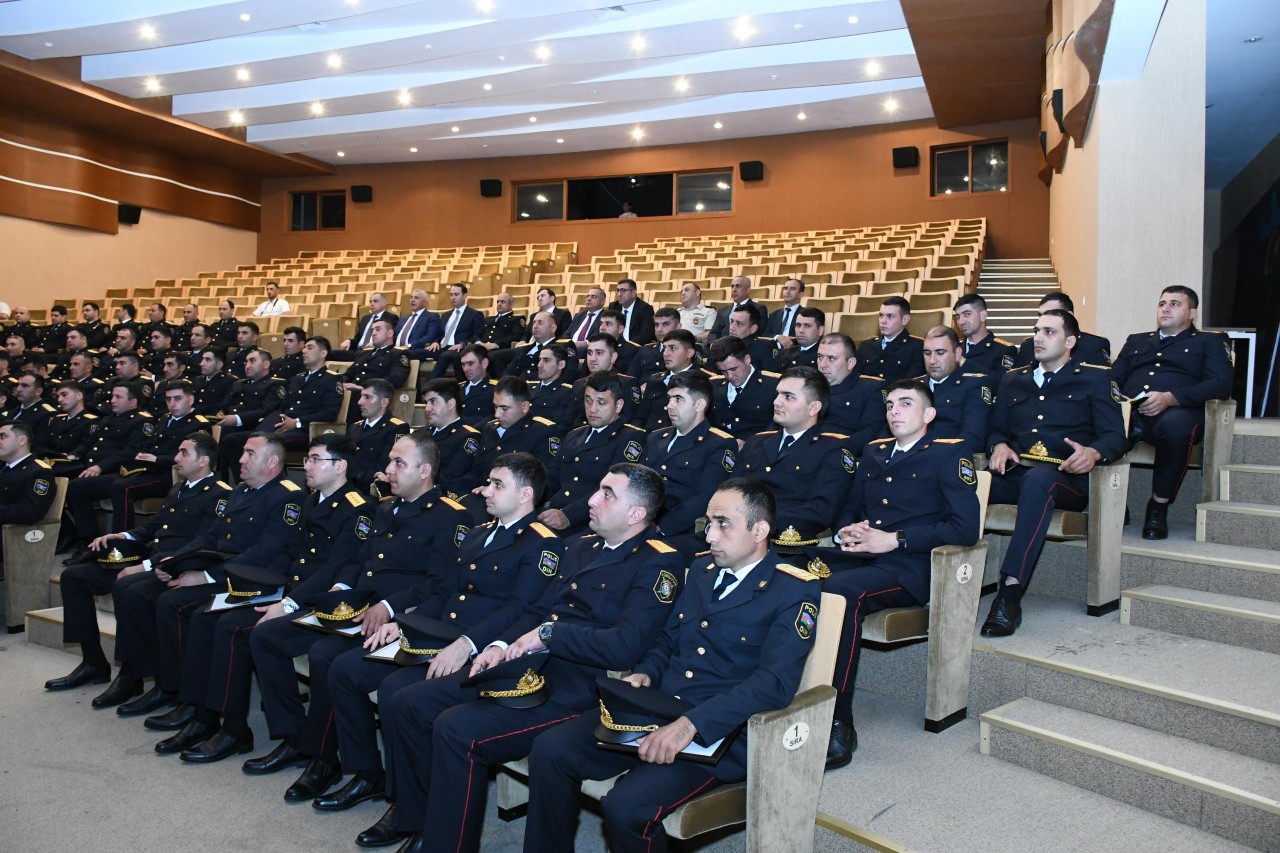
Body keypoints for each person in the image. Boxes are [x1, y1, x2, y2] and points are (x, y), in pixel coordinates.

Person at [367, 463, 683, 852]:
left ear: (636, 514)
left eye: (606, 494)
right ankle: (416, 819)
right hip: (528, 668)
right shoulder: (581, 546)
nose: (591, 500)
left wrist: (550, 634)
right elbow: (538, 610)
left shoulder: (658, 563)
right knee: (412, 702)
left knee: (456, 729)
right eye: (598, 489)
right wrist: (498, 646)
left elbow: (625, 646)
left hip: (578, 689)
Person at [525, 477, 821, 853]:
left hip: (720, 734)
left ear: (759, 529)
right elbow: (669, 637)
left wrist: (691, 725)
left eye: (723, 524)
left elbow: (773, 683)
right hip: (661, 707)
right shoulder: (702, 569)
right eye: (708, 523)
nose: (710, 535)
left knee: (626, 806)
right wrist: (646, 672)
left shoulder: (794, 590)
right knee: (551, 750)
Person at [309, 453, 562, 815]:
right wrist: (403, 623)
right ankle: (367, 774)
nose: (485, 491)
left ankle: (410, 802)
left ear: (525, 495)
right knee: (346, 670)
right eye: (488, 482)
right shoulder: (478, 534)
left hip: (477, 644)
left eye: (497, 484)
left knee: (398, 694)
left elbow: (520, 610)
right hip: (439, 633)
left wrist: (467, 644)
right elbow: (446, 592)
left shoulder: (542, 543)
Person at [244, 432, 471, 801]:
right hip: (356, 606)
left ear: (425, 470)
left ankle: (341, 763)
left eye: (399, 463)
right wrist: (340, 591)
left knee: (326, 657)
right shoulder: (385, 509)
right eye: (390, 461)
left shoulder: (449, 517)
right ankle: (294, 737)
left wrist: (390, 608)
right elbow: (359, 562)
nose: (388, 470)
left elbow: (440, 584)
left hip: (397, 616)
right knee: (267, 636)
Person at [807, 379, 981, 768]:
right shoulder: (873, 451)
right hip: (862, 556)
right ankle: (791, 697)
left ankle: (839, 720)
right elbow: (851, 508)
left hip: (909, 565)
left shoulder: (949, 454)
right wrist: (846, 530)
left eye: (906, 403)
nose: (895, 411)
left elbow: (966, 529)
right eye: (889, 405)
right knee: (793, 576)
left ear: (929, 415)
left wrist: (896, 539)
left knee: (839, 592)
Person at [170, 435, 370, 764]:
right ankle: (215, 718)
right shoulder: (312, 500)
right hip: (291, 588)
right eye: (306, 459)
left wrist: (288, 603)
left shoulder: (356, 509)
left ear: (340, 466)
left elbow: (335, 569)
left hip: (323, 600)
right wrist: (262, 587)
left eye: (314, 459)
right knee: (215, 615)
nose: (305, 465)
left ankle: (275, 734)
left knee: (244, 631)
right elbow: (293, 555)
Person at [143, 433, 303, 752]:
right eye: (242, 453)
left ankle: (229, 725)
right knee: (181, 607)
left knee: (208, 618)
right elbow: (213, 535)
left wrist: (203, 575)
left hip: (260, 583)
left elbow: (264, 553)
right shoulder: (242, 490)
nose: (240, 460)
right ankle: (200, 711)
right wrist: (174, 561)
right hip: (229, 574)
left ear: (272, 462)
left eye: (249, 454)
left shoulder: (288, 497)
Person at [44, 432, 226, 701]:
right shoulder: (178, 489)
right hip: (150, 557)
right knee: (74, 577)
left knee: (129, 588)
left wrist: (145, 566)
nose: (176, 458)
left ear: (204, 461)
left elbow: (200, 543)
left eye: (184, 453)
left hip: (173, 566)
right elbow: (153, 528)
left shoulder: (220, 495)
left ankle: (132, 674)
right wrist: (123, 536)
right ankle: (93, 662)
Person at [980, 309, 1128, 637]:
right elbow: (995, 430)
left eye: (1049, 332)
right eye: (1036, 330)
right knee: (967, 483)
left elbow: (1117, 437)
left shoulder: (1095, 378)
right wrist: (999, 445)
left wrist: (1093, 452)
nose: (1038, 337)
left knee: (1038, 481)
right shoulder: (1013, 378)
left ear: (1070, 341)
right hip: (1017, 472)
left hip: (1068, 479)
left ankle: (1009, 594)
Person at [1111, 285, 1233, 539]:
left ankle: (1158, 507)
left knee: (1176, 426)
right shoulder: (1137, 340)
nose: (1165, 308)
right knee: (1096, 419)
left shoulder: (1209, 341)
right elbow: (1112, 379)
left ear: (1193, 313)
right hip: (1130, 413)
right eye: (1162, 303)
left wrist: (1172, 398)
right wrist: (1119, 400)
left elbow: (1221, 384)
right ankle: (1114, 503)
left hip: (1177, 414)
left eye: (1175, 304)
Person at [64, 381, 211, 543]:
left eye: (177, 399)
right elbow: (149, 444)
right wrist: (141, 454)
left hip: (169, 474)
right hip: (143, 471)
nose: (172, 404)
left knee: (121, 487)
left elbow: (194, 457)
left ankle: (122, 544)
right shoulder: (165, 419)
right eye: (168, 399)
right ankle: (88, 541)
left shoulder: (199, 424)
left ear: (190, 400)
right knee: (78, 486)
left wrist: (157, 459)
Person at [736, 367, 857, 547]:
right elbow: (729, 492)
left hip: (789, 543)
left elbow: (821, 511)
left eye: (788, 397)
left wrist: (757, 525)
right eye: (777, 395)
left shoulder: (833, 449)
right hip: (739, 536)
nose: (777, 402)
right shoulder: (757, 442)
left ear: (813, 407)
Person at [539, 372, 648, 535]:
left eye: (601, 402)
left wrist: (568, 515)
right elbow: (552, 478)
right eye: (588, 401)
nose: (593, 409)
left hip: (592, 523)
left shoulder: (631, 437)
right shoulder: (574, 435)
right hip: (554, 514)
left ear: (618, 406)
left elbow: (610, 490)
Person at [641, 371, 737, 552]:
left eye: (678, 399)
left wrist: (660, 527)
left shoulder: (720, 444)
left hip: (681, 531)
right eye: (669, 399)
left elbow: (704, 498)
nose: (669, 406)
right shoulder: (655, 437)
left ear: (699, 404)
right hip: (641, 521)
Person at [919, 325, 996, 455]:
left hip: (946, 460)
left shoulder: (974, 386)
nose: (932, 360)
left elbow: (973, 438)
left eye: (940, 353)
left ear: (957, 354)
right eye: (927, 353)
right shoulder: (912, 387)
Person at [255, 336, 344, 449]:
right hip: (285, 425)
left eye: (310, 348)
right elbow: (284, 406)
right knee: (241, 439)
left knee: (268, 443)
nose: (304, 351)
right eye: (304, 347)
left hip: (306, 430)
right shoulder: (298, 378)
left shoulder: (331, 379)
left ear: (323, 353)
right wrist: (269, 420)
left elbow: (329, 413)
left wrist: (297, 422)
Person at [816, 333, 888, 454]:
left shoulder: (871, 388)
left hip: (839, 454)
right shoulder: (808, 386)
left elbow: (869, 433)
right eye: (820, 357)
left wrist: (832, 449)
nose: (822, 365)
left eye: (831, 358)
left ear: (850, 363)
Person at [1013, 291, 1112, 368]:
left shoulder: (1093, 345)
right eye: (1040, 315)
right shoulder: (1029, 345)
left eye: (1051, 314)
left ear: (1069, 316)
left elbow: (1104, 383)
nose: (1043, 319)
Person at [420, 378, 483, 495]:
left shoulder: (468, 436)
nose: (427, 408)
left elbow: (450, 476)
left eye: (433, 401)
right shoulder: (420, 433)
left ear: (451, 404)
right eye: (426, 403)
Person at [709, 335, 779, 439]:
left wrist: (751, 445)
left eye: (733, 369)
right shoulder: (713, 385)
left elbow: (780, 424)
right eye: (723, 371)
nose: (729, 376)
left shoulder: (774, 385)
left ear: (747, 359)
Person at [635, 329, 706, 431]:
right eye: (664, 348)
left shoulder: (703, 381)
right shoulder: (654, 380)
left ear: (689, 353)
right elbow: (640, 418)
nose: (665, 353)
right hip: (651, 439)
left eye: (672, 348)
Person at [347, 379, 411, 492]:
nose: (360, 402)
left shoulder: (396, 428)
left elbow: (384, 468)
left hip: (370, 490)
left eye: (367, 397)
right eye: (361, 396)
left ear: (384, 402)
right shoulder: (354, 427)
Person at [567, 333, 639, 430]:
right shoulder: (578, 384)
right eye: (589, 353)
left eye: (599, 353)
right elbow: (568, 421)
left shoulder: (627, 383)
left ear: (613, 357)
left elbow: (629, 420)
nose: (592, 358)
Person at [0, 420, 57, 527]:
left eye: (2, 437)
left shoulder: (39, 472)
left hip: (13, 535)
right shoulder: (5, 468)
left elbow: (30, 512)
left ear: (22, 440)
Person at [856, 296, 925, 383]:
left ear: (905, 319)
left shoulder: (917, 347)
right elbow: (855, 378)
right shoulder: (866, 346)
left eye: (890, 316)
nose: (883, 321)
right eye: (881, 315)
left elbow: (912, 384)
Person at [427, 284, 491, 378]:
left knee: (446, 356)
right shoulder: (445, 315)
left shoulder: (475, 314)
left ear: (465, 296)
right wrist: (435, 342)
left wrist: (463, 344)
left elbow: (477, 335)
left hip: (458, 348)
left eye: (456, 295)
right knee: (413, 353)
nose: (453, 298)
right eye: (451, 295)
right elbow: (440, 333)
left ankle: (429, 388)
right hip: (440, 347)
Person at [953, 294, 1017, 377]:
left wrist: (964, 363)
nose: (961, 322)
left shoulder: (1003, 349)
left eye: (967, 314)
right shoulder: (955, 348)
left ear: (983, 315)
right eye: (958, 317)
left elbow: (1001, 382)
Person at [42, 381, 98, 474]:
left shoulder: (91, 421)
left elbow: (86, 446)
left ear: (79, 396)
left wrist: (72, 456)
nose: (59, 399)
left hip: (72, 467)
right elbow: (43, 443)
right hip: (50, 462)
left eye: (64, 395)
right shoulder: (56, 419)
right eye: (58, 396)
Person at [629, 306, 682, 378]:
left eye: (665, 324)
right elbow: (630, 378)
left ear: (678, 327)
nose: (659, 329)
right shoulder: (644, 350)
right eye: (656, 325)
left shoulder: (685, 350)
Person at [528, 345, 574, 425]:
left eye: (546, 360)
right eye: (540, 360)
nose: (539, 365)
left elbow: (558, 426)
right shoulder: (529, 387)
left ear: (561, 365)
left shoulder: (566, 393)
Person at [709, 276, 761, 341]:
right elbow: (713, 333)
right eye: (732, 286)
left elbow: (759, 333)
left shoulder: (759, 308)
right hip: (720, 347)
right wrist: (713, 345)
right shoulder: (723, 310)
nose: (734, 290)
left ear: (748, 290)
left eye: (738, 286)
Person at [774, 307, 826, 371]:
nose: (801, 330)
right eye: (798, 325)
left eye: (807, 326)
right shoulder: (784, 353)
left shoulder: (824, 358)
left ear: (820, 330)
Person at [457, 345, 496, 425]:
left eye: (470, 364)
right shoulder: (458, 389)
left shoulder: (496, 389)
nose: (465, 369)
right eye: (463, 364)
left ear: (484, 363)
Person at [609, 278, 656, 345]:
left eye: (623, 290)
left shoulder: (645, 309)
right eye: (618, 290)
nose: (619, 294)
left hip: (635, 347)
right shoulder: (614, 306)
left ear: (633, 293)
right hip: (615, 346)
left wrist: (627, 346)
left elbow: (645, 335)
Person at [191, 349, 236, 416]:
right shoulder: (198, 380)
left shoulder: (230, 381)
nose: (201, 364)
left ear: (219, 365)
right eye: (202, 359)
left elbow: (224, 407)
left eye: (208, 360)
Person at [765, 278, 807, 345]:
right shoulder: (774, 315)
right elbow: (766, 335)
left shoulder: (806, 314)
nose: (787, 291)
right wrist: (778, 337)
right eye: (785, 288)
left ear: (800, 294)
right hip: (774, 349)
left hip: (795, 349)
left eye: (792, 289)